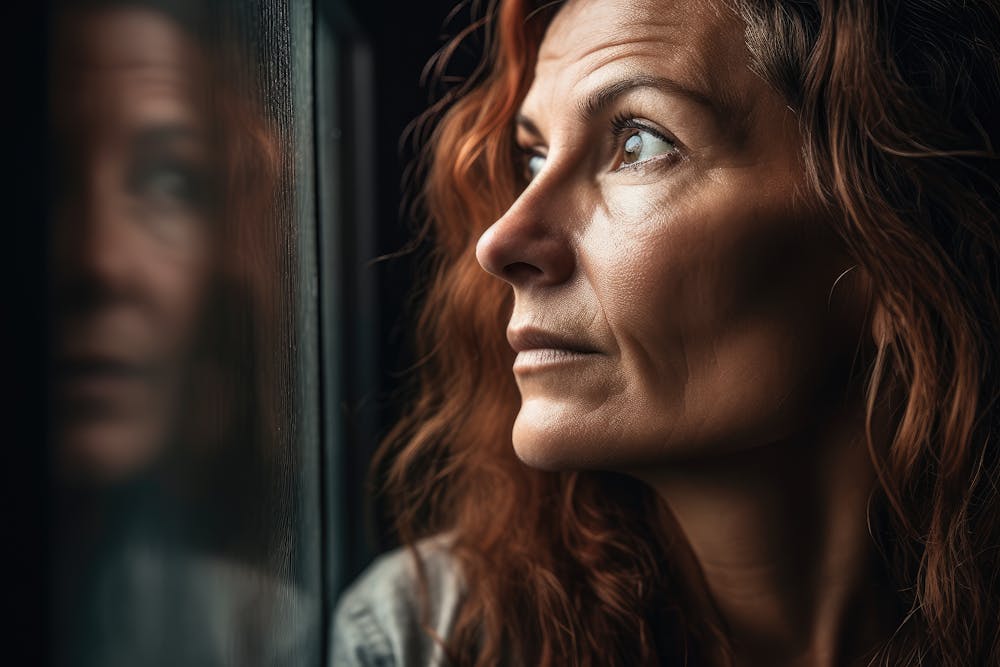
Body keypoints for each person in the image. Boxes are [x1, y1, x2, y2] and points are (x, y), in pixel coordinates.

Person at [333, 0, 1000, 665]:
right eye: (534, 159)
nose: (501, 240)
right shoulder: (432, 638)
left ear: (890, 251)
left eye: (639, 143)